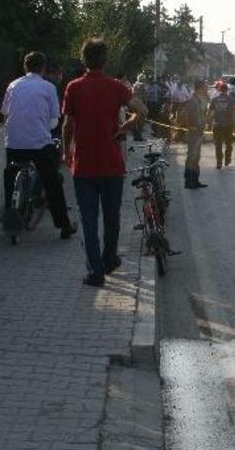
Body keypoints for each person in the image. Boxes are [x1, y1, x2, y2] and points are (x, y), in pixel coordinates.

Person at [62, 38, 148, 287]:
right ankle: (109, 258)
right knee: (112, 217)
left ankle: (95, 272)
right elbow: (142, 110)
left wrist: (67, 151)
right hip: (111, 163)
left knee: (89, 221)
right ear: (105, 60)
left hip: (84, 165)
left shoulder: (73, 87)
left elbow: (68, 124)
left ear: (83, 59)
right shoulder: (116, 87)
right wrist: (127, 126)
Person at [1, 51, 76, 240]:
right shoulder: (48, 88)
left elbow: (5, 113)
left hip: (14, 143)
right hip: (39, 144)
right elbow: (54, 119)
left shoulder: (13, 85)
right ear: (43, 68)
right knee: (52, 182)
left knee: (10, 175)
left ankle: (10, 216)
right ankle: (64, 225)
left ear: (25, 67)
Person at [176, 80, 209, 189]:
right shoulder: (192, 100)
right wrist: (184, 128)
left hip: (199, 132)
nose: (206, 89)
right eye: (205, 87)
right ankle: (188, 181)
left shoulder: (200, 100)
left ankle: (195, 180)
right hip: (193, 132)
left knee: (196, 157)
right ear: (199, 88)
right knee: (191, 157)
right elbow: (184, 114)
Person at [206, 82, 235, 169]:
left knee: (218, 145)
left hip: (217, 125)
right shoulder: (231, 100)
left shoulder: (214, 99)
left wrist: (209, 123)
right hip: (228, 125)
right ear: (227, 90)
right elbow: (234, 114)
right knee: (229, 144)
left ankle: (219, 163)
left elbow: (209, 113)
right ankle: (227, 159)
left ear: (220, 90)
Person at [131, 73, 149, 141]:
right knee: (141, 121)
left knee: (135, 120)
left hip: (133, 103)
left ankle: (135, 135)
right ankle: (139, 136)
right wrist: (145, 104)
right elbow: (145, 95)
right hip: (140, 104)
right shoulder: (143, 85)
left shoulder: (134, 84)